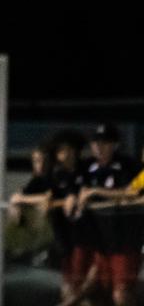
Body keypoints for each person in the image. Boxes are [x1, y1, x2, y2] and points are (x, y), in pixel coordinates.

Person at [70, 123, 141, 306]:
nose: (99, 147)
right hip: (97, 241)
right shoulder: (85, 167)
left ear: (115, 145)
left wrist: (96, 192)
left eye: (105, 143)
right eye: (95, 143)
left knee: (121, 293)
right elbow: (67, 189)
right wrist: (71, 198)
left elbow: (132, 192)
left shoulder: (128, 166)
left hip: (123, 240)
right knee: (92, 288)